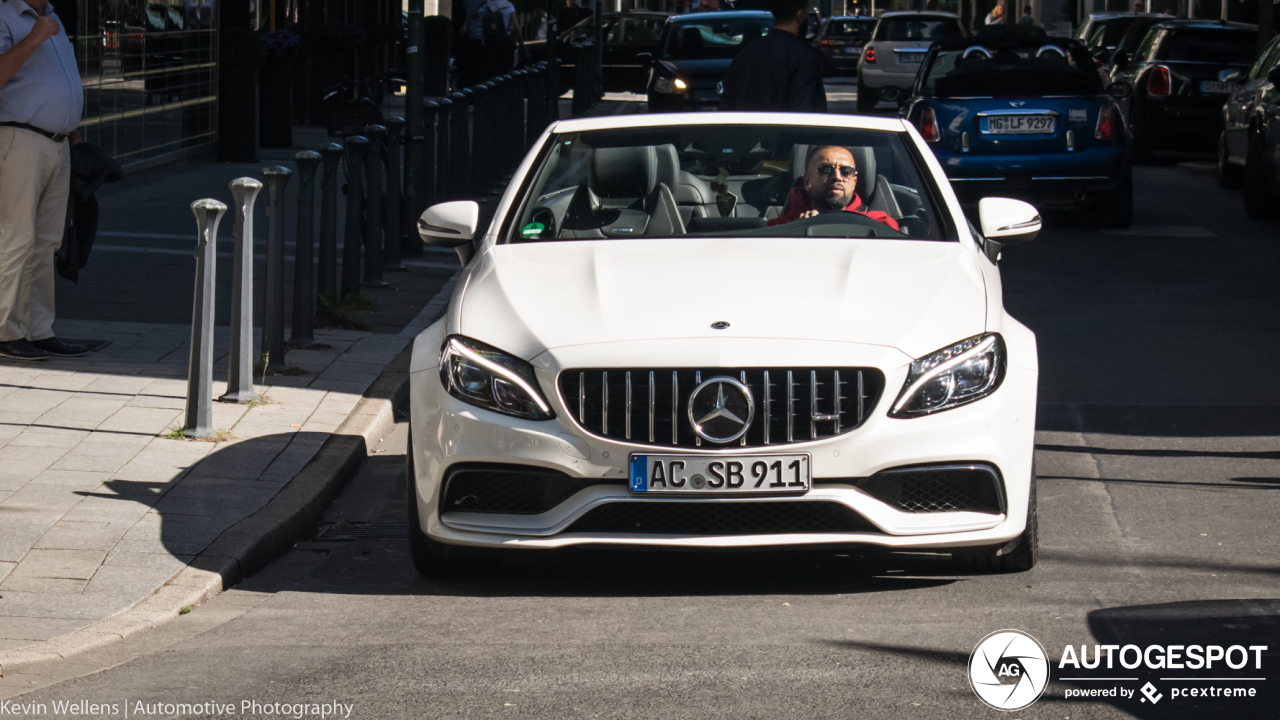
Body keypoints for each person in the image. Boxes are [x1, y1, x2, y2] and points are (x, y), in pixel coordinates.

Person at [0, 0, 86, 360]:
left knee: (47, 240)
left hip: (57, 142)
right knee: (15, 237)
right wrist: (34, 38)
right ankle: (4, 331)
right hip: (20, 138)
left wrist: (73, 127)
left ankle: (38, 330)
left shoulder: (53, 16)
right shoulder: (4, 17)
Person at [718, 0, 826, 112]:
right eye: (807, 11)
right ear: (800, 15)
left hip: (747, 128)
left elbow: (726, 106)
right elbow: (806, 111)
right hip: (784, 129)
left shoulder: (745, 55)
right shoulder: (806, 57)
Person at [767, 145, 900, 231]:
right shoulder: (780, 228)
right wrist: (796, 230)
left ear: (854, 182)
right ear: (807, 181)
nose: (837, 177)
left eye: (846, 171)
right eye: (826, 170)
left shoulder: (879, 226)